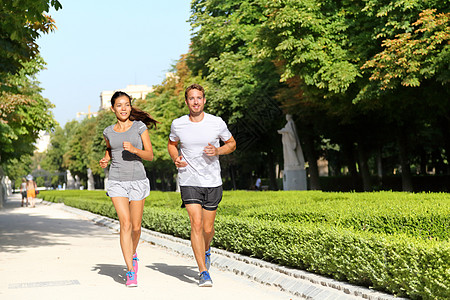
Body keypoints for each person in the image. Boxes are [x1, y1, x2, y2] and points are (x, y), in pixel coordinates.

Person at [168, 84, 236, 287]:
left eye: (199, 98)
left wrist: (217, 151)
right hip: (189, 180)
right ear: (187, 101)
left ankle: (206, 249)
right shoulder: (178, 124)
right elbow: (172, 145)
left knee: (208, 228)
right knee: (196, 224)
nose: (195, 102)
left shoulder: (216, 123)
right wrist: (176, 158)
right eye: (191, 98)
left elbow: (231, 144)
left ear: (204, 100)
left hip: (212, 181)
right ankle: (203, 271)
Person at [99, 91, 157, 287]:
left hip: (137, 180)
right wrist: (106, 159)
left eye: (126, 105)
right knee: (125, 224)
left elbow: (149, 155)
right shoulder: (108, 131)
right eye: (119, 105)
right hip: (116, 181)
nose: (123, 108)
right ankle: (130, 271)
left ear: (130, 107)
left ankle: (132, 253)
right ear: (113, 108)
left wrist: (134, 150)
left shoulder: (139, 127)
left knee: (136, 227)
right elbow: (110, 148)